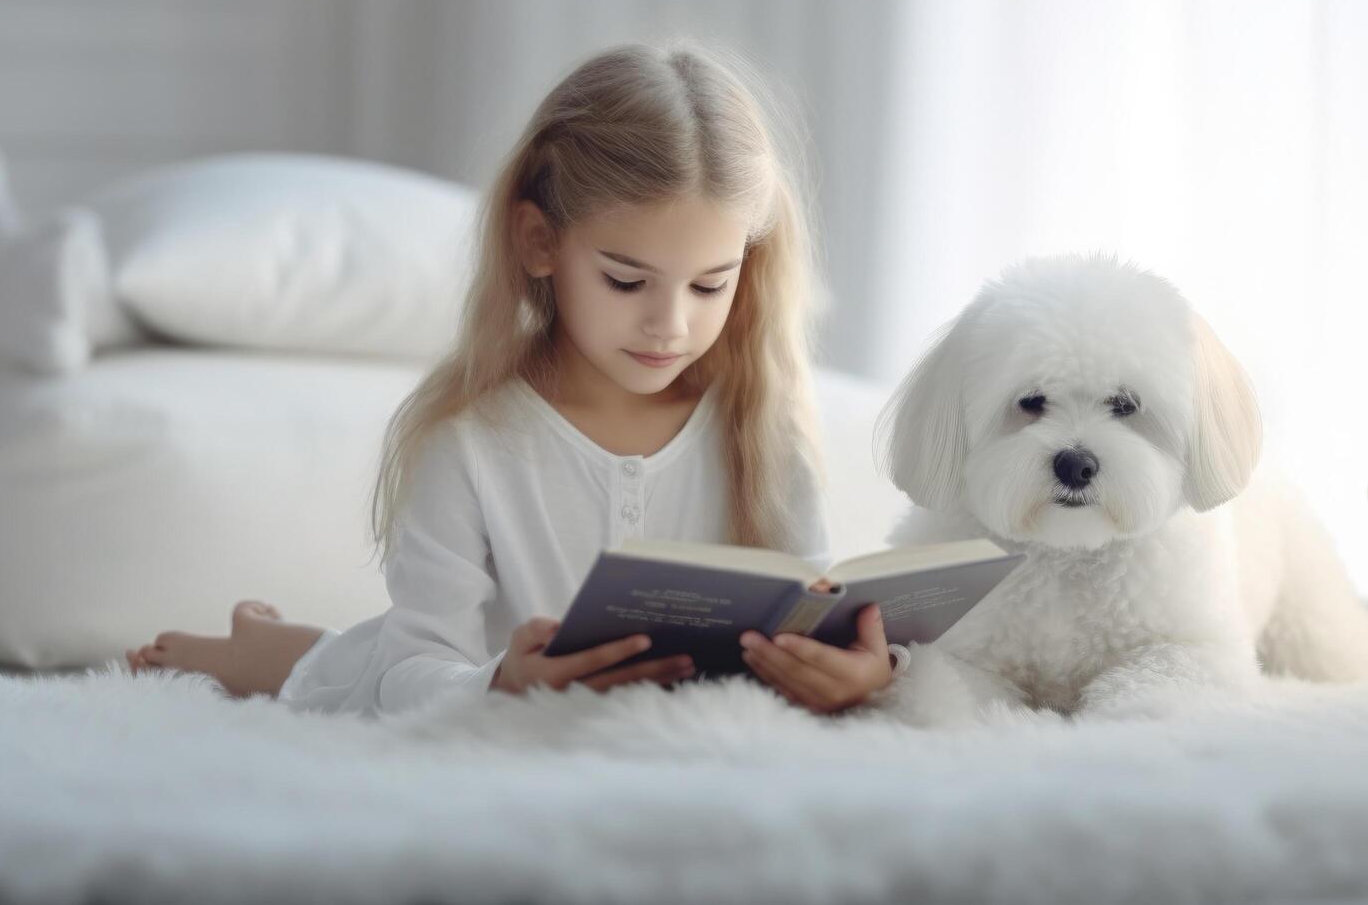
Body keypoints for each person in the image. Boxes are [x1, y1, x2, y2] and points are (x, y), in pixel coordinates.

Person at [125, 40, 908, 717]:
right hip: (456, 673)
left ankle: (284, 644)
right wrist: (503, 685)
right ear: (539, 241)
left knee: (352, 659)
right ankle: (257, 650)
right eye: (627, 281)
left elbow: (809, 614)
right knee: (339, 678)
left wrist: (863, 671)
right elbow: (411, 670)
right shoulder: (471, 441)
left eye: (710, 285)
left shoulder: (760, 429)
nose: (670, 324)